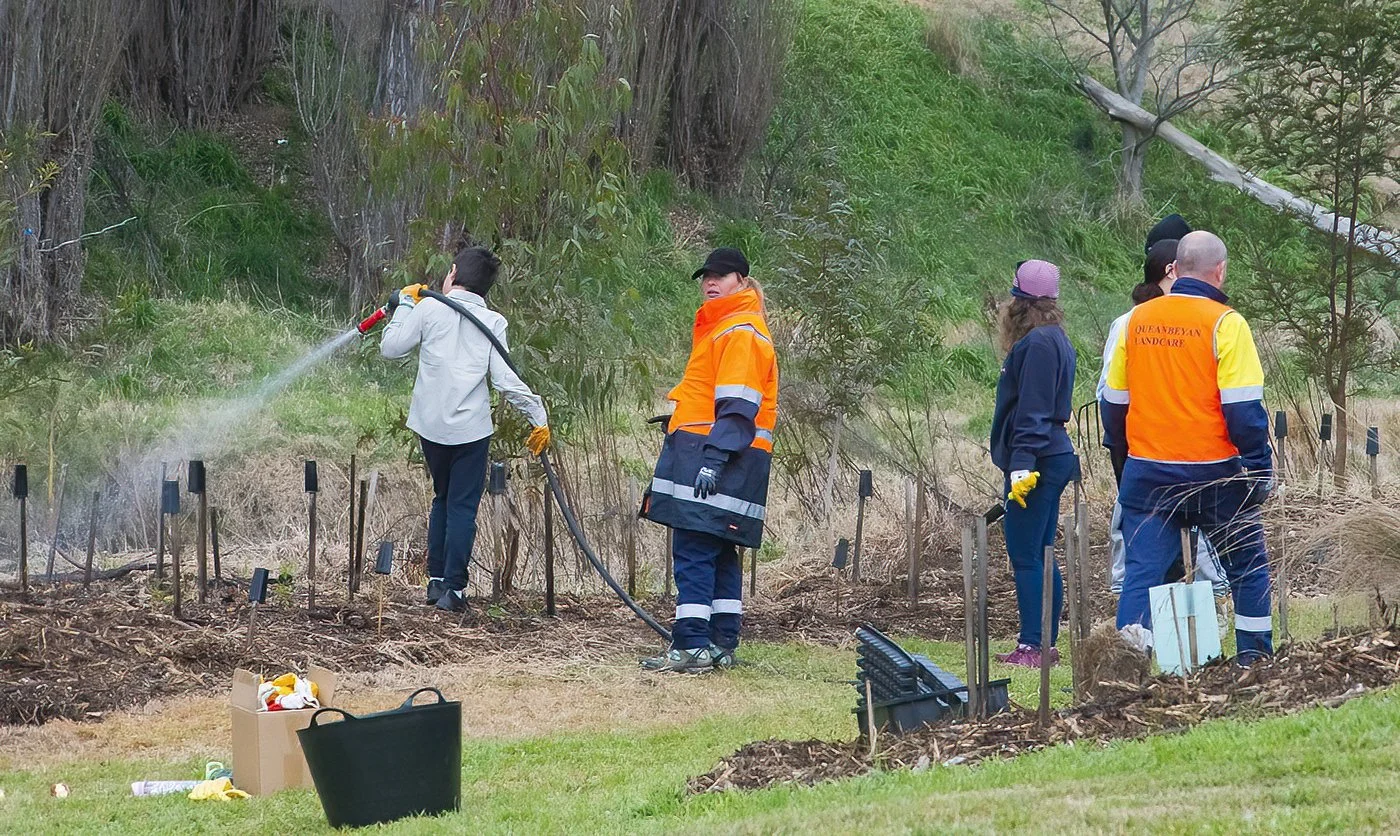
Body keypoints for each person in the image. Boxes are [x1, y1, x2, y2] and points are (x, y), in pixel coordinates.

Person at [1100, 230, 1274, 662]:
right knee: (1247, 568)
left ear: (1176, 269)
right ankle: (1254, 661)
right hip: (1216, 475)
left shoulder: (1135, 321)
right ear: (1220, 271)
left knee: (1142, 575)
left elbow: (1113, 404)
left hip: (1149, 474)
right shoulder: (1226, 324)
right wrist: (1258, 469)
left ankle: (1125, 672)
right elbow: (1243, 410)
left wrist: (1127, 461)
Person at [380, 243, 552, 613]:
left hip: (430, 428)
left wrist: (405, 305)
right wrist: (538, 416)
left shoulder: (428, 309)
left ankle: (436, 581)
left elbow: (391, 347)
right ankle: (453, 590)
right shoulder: (493, 322)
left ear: (453, 273)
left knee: (442, 498)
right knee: (461, 506)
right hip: (470, 432)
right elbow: (505, 381)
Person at [639, 247, 778, 673]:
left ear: (742, 281)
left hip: (715, 458)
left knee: (695, 550)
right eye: (706, 276)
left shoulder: (739, 331)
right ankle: (720, 643)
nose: (710, 282)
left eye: (720, 275)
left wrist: (713, 460)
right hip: (723, 455)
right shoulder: (726, 328)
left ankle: (691, 646)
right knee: (718, 550)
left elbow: (738, 405)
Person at [1098, 217, 1228, 598]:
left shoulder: (1198, 319)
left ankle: (1195, 592)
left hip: (1168, 453)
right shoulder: (1132, 322)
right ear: (1172, 269)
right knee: (1144, 541)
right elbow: (1111, 393)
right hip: (1151, 453)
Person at [989, 259, 1079, 668]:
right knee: (1041, 551)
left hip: (1039, 458)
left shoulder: (1039, 344)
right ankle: (1044, 643)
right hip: (1049, 454)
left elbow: (1034, 409)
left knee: (1026, 552)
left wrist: (1022, 463)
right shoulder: (1054, 338)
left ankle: (1034, 647)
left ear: (1020, 302)